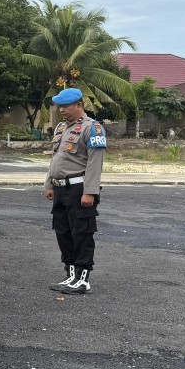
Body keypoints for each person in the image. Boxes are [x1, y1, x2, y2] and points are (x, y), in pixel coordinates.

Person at [44, 88, 106, 295]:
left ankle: (83, 279)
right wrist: (49, 185)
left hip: (80, 189)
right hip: (61, 189)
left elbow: (94, 163)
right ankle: (70, 275)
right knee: (64, 233)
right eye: (59, 106)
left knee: (82, 233)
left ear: (79, 105)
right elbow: (56, 159)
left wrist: (90, 191)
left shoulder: (93, 128)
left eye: (66, 106)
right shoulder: (61, 128)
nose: (61, 110)